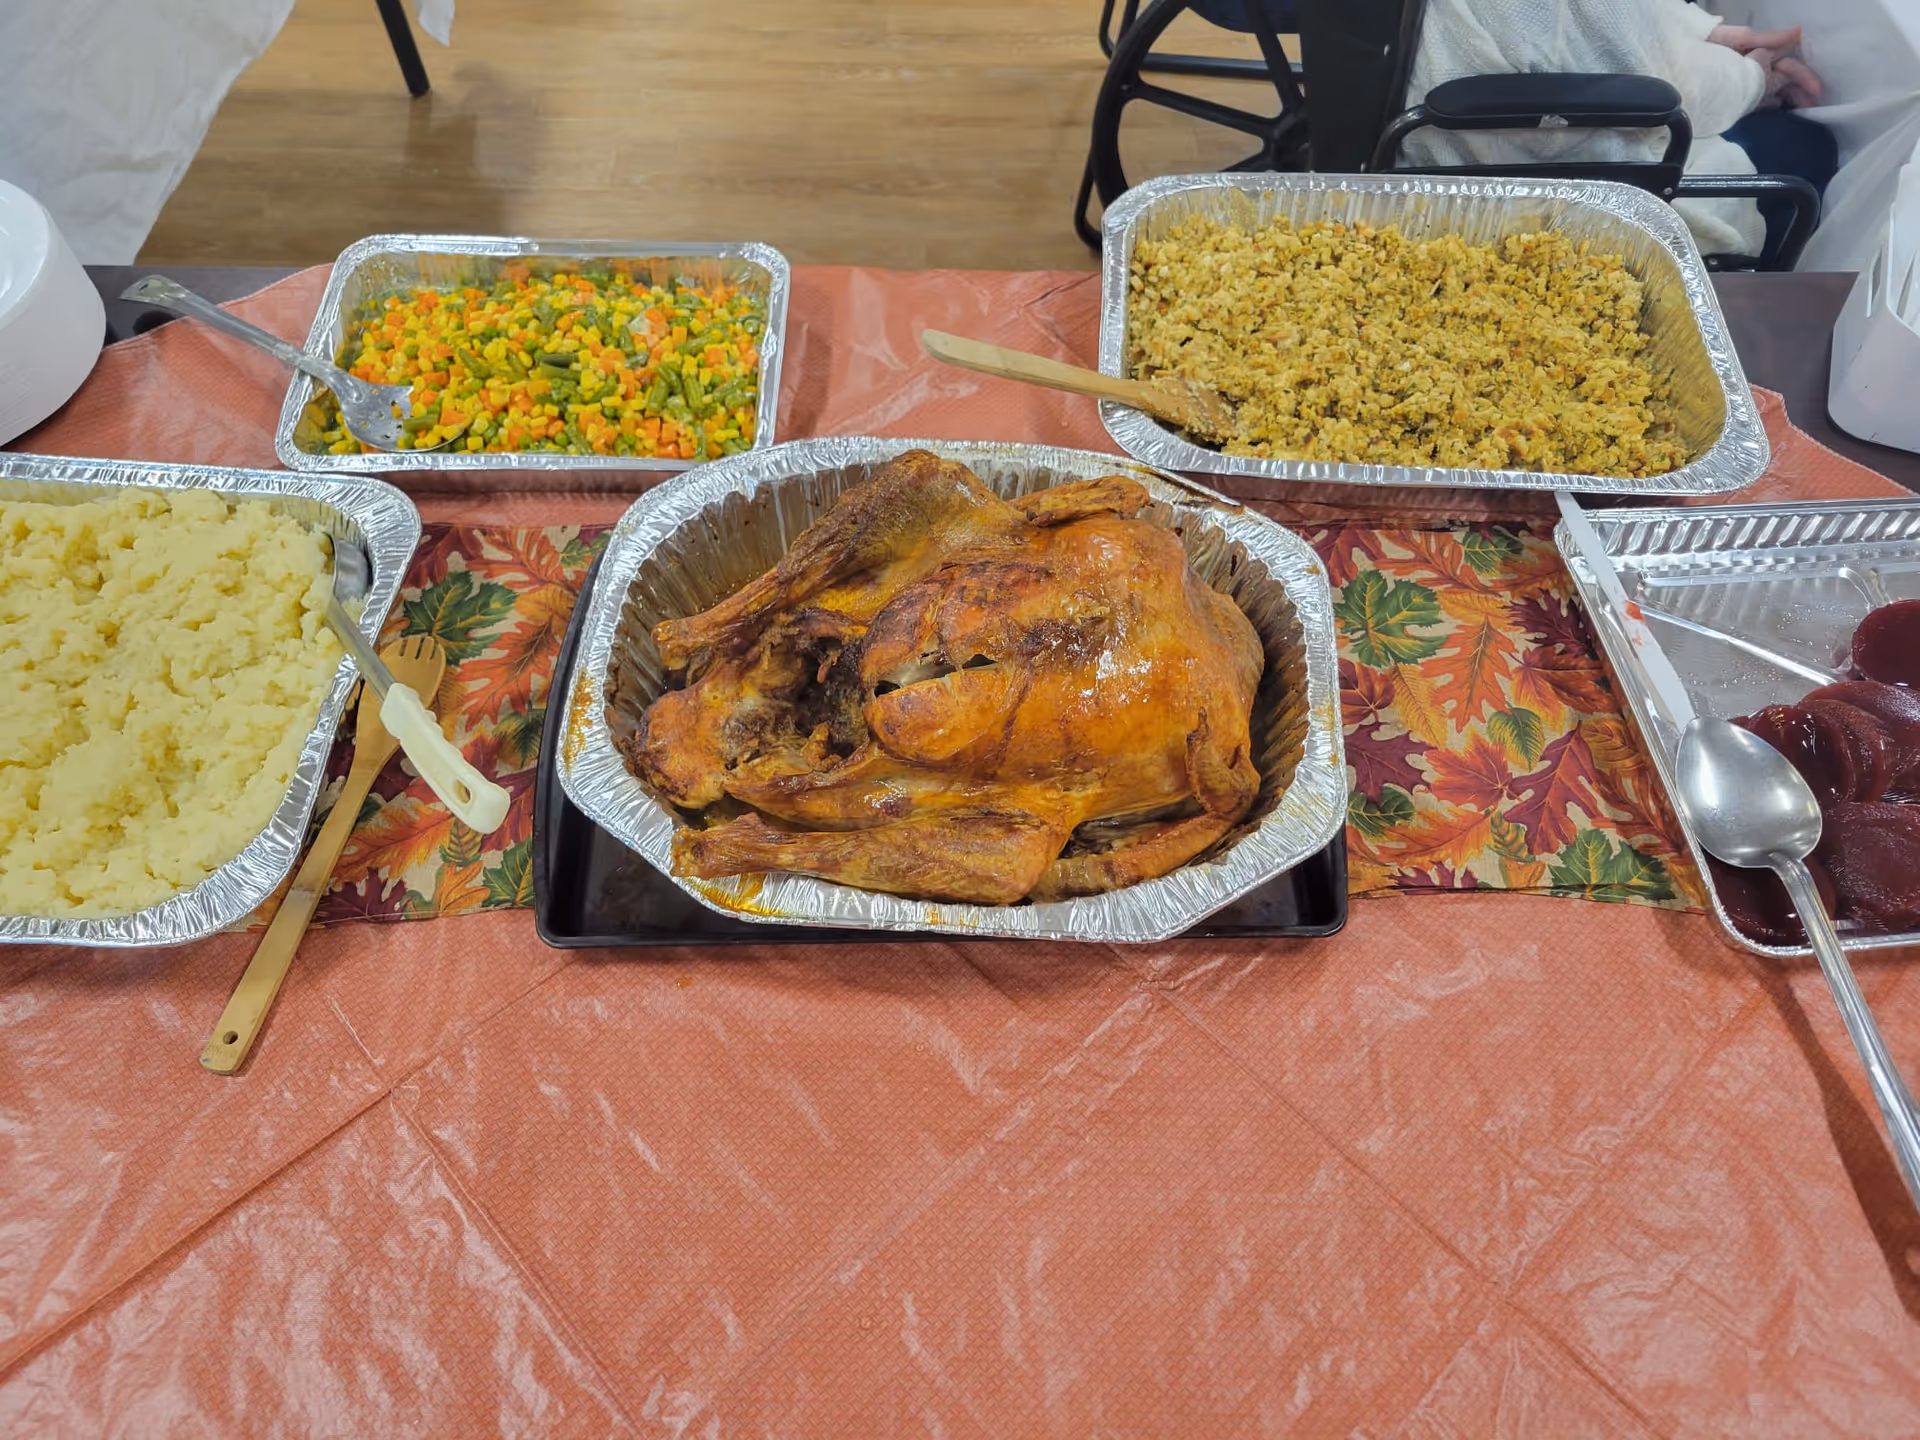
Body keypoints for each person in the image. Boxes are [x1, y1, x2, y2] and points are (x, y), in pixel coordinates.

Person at [1403, 0, 1836, 259]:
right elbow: (1657, 93)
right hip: (1488, 169)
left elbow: (1601, 28)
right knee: (1805, 147)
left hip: (1419, 125)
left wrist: (1709, 34)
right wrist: (1755, 80)